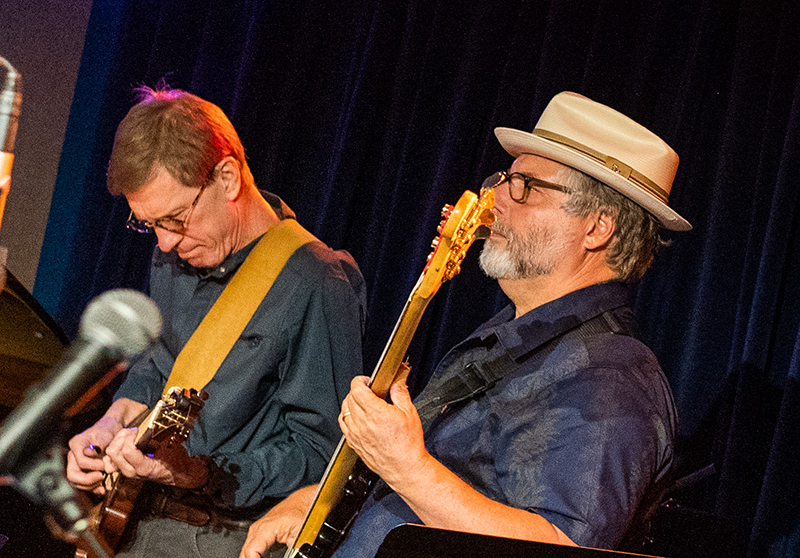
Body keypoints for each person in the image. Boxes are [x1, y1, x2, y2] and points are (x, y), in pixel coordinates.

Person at [239, 91, 689, 558]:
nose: (494, 200)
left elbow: (561, 546)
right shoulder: (512, 338)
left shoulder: (609, 375)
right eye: (505, 180)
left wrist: (407, 467)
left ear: (597, 227)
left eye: (526, 186)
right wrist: (318, 500)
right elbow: (444, 494)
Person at [65, 87, 367, 558]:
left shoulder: (317, 281)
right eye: (149, 225)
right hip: (132, 519)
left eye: (174, 219)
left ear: (227, 177)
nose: (164, 243)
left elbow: (321, 455)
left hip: (223, 536)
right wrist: (109, 424)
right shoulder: (175, 255)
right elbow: (157, 369)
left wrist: (199, 472)